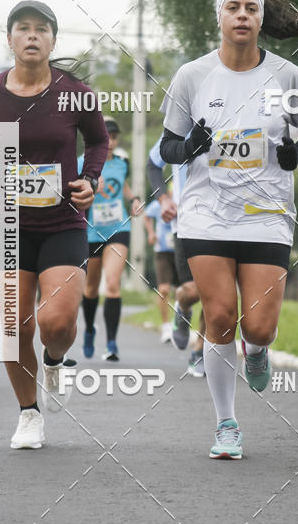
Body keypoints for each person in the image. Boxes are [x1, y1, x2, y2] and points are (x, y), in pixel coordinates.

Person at [159, 0, 298, 458]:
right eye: (234, 7)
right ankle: (225, 423)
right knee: (222, 317)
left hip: (267, 212)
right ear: (220, 16)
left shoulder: (288, 76)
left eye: (252, 8)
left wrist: (296, 153)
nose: (243, 15)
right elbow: (169, 146)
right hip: (207, 213)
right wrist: (190, 147)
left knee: (259, 327)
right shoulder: (192, 76)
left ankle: (259, 350)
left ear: (261, 18)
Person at [0, 0, 108, 449]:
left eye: (40, 29)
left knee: (57, 322)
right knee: (11, 326)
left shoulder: (74, 92)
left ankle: (55, 357)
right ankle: (29, 414)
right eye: (22, 29)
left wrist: (90, 179)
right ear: (9, 39)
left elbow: (98, 140)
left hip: (63, 220)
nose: (31, 36)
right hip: (7, 222)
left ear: (52, 40)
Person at [79, 117, 140, 361]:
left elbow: (123, 187)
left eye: (114, 137)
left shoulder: (122, 163)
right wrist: (90, 186)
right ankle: (90, 328)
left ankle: (112, 343)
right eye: (106, 137)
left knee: (112, 283)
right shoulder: (82, 163)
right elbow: (71, 192)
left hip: (118, 228)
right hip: (90, 230)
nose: (110, 142)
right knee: (91, 287)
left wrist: (134, 199)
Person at [147, 135, 207, 377]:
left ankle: (199, 349)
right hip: (186, 224)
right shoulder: (178, 125)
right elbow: (153, 164)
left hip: (226, 224)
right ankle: (183, 306)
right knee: (193, 290)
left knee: (219, 296)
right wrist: (162, 199)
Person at [144, 195, 178, 344]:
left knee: (181, 291)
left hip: (181, 249)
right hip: (162, 251)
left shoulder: (184, 200)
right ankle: (166, 326)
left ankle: (178, 324)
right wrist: (151, 233)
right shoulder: (159, 203)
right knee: (163, 290)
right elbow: (146, 215)